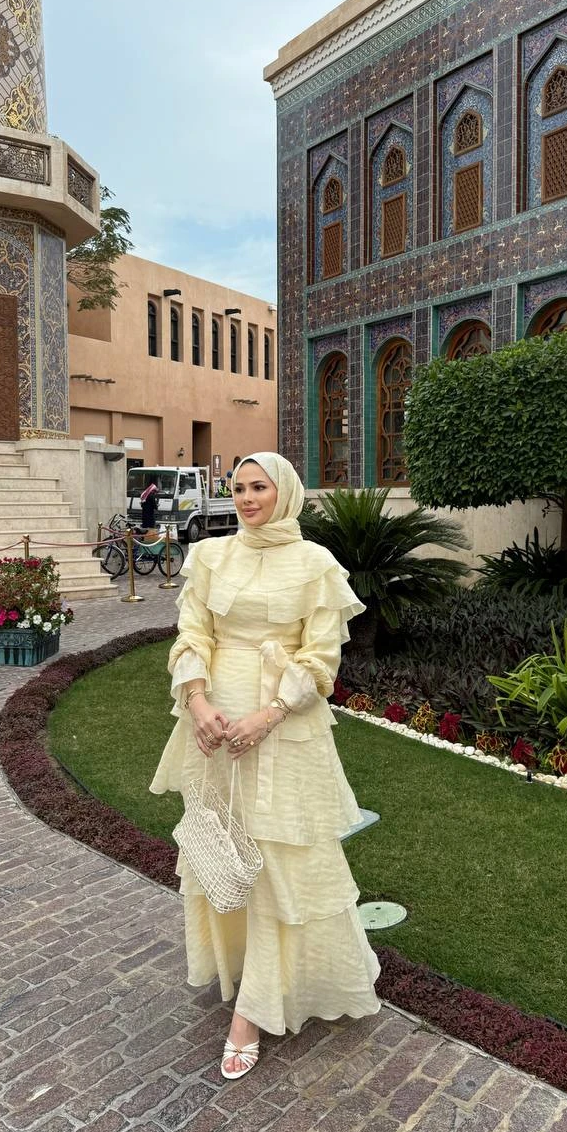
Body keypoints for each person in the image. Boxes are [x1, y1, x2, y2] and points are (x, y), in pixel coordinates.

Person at [150, 452, 380, 1080]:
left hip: (283, 727)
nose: (248, 498)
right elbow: (192, 636)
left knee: (281, 859)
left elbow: (321, 659)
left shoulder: (316, 564)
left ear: (286, 493)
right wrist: (197, 702)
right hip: (214, 724)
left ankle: (252, 1011)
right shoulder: (210, 556)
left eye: (259, 487)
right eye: (238, 488)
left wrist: (270, 714)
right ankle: (242, 970)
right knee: (223, 849)